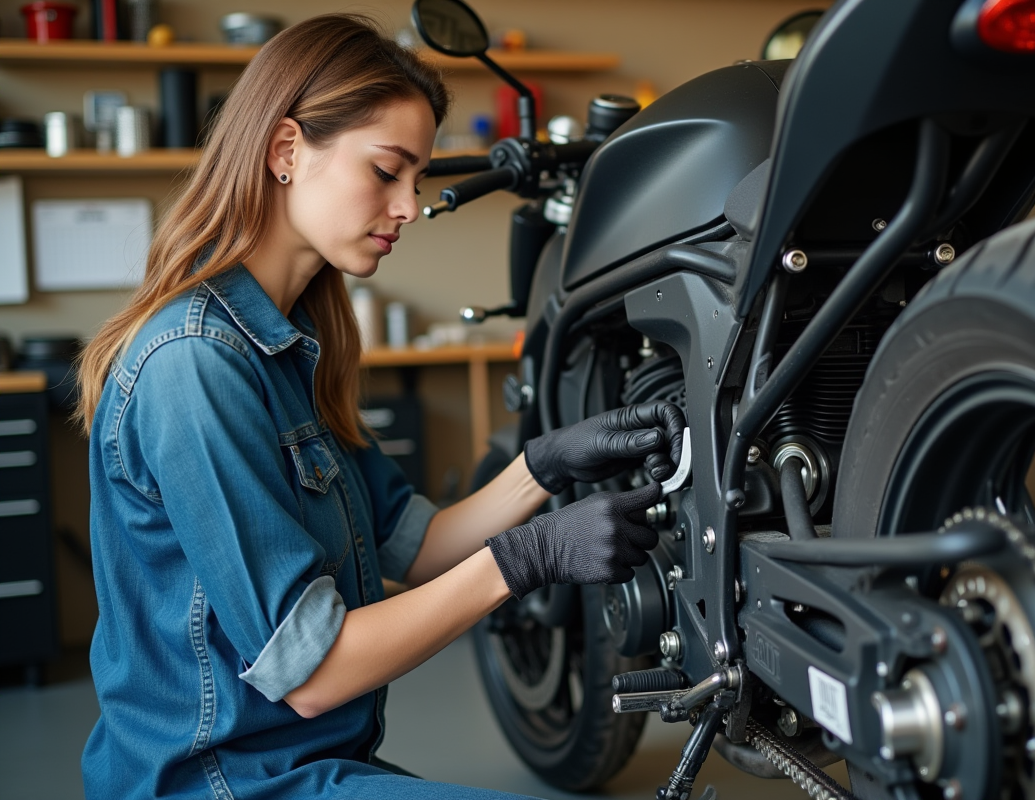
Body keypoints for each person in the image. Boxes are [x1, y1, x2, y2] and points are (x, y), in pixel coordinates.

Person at [72, 14, 684, 800]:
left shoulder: (292, 345)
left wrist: (546, 464)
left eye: (417, 180)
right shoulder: (196, 365)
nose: (409, 207)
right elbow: (314, 672)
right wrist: (528, 559)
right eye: (387, 171)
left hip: (304, 763)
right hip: (219, 782)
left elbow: (417, 544)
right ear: (286, 151)